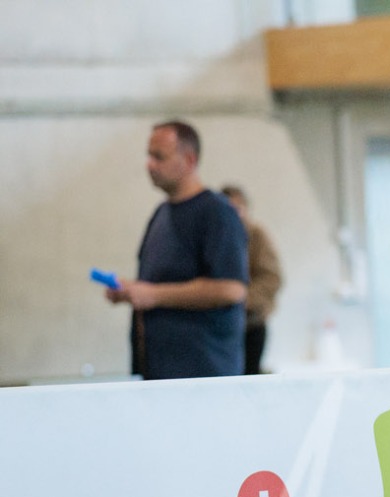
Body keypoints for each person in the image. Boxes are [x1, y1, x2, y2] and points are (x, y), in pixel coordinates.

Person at [106, 121, 248, 380]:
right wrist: (131, 291)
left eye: (159, 157)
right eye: (149, 156)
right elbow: (157, 284)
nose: (150, 164)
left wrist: (154, 295)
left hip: (202, 376)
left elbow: (231, 288)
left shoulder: (217, 213)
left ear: (189, 160)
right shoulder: (161, 214)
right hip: (159, 373)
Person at [221, 185, 283, 375]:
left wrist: (239, 299)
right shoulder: (216, 239)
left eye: (238, 208)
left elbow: (271, 278)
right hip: (220, 327)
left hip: (251, 324)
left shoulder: (256, 236)